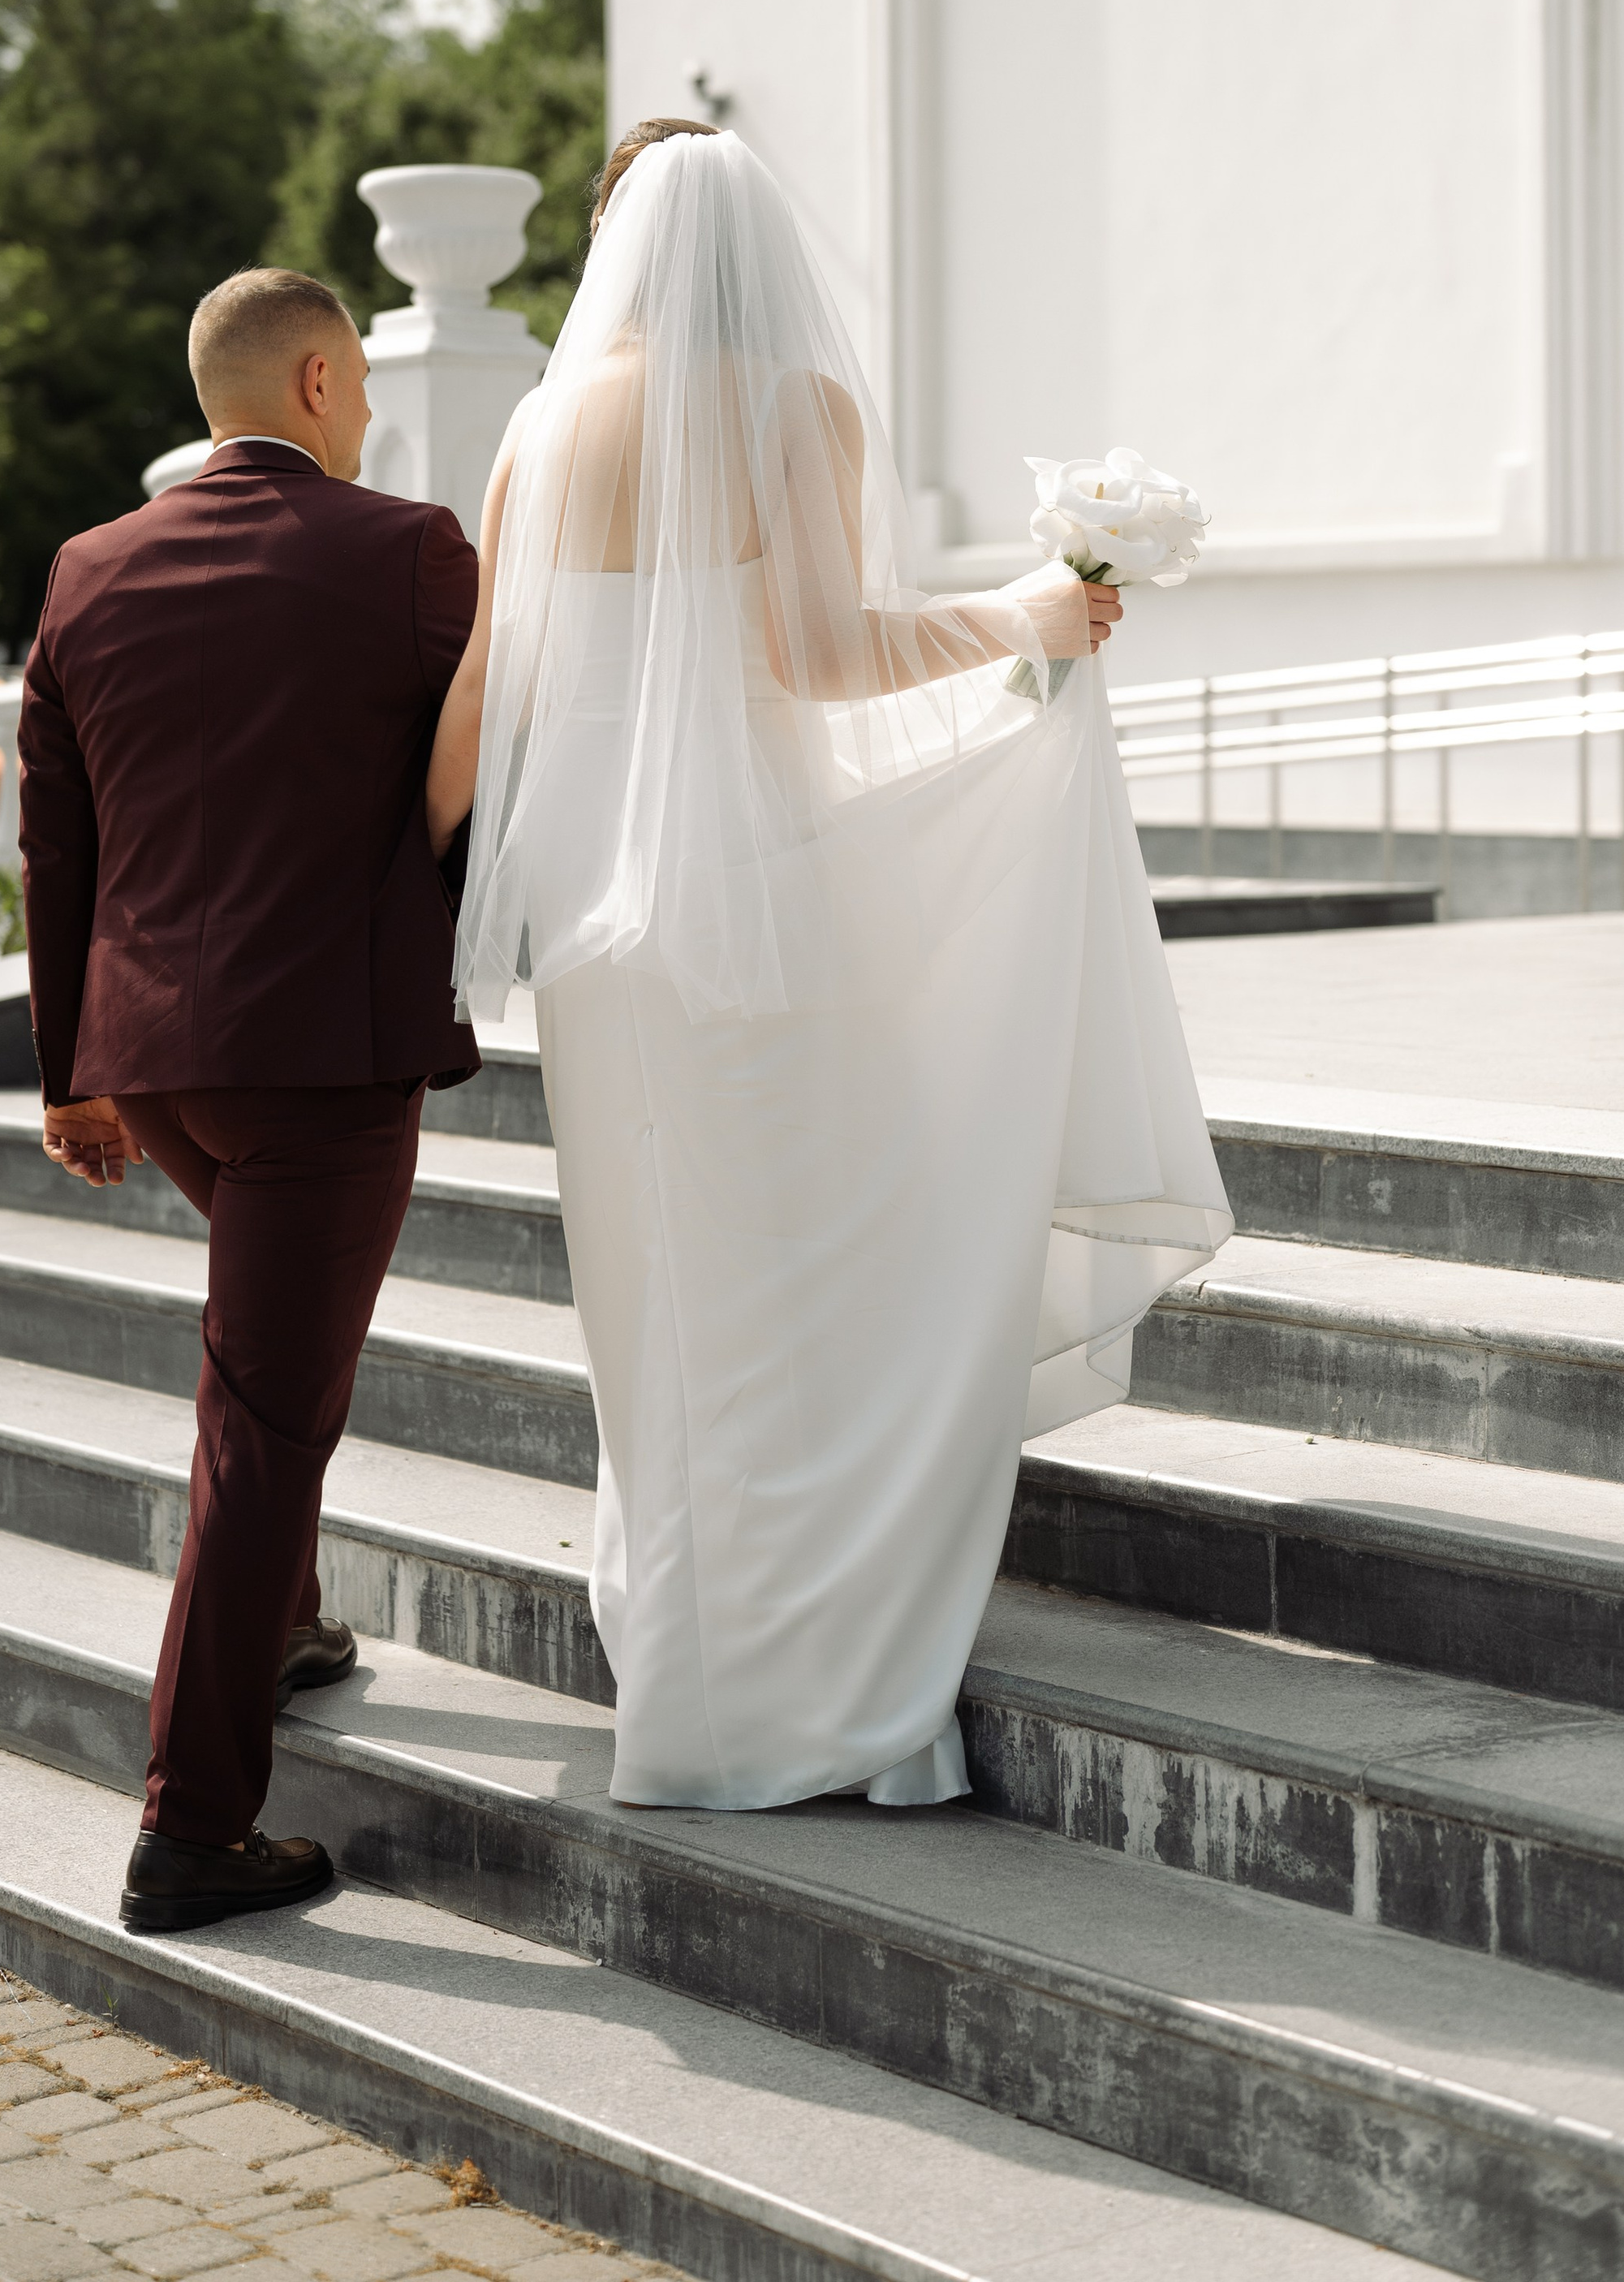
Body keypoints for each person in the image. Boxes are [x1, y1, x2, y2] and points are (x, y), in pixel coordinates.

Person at [429, 123, 1230, 1812]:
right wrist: (1022, 617)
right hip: (751, 893)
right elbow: (811, 652)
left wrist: (406, 889)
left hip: (586, 916)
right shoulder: (792, 407)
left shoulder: (537, 422)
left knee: (652, 1288)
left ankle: (685, 1661)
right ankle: (813, 1678)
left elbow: (489, 677)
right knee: (803, 1271)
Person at [18, 267, 479, 1930]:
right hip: (323, 1064)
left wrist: (71, 1074)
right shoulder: (410, 550)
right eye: (360, 388)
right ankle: (192, 1825)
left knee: (265, 1374)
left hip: (160, 1064)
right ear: (317, 380)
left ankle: (282, 1625)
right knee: (265, 1423)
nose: (365, 419)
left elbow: (55, 841)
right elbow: (486, 777)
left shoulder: (87, 567)